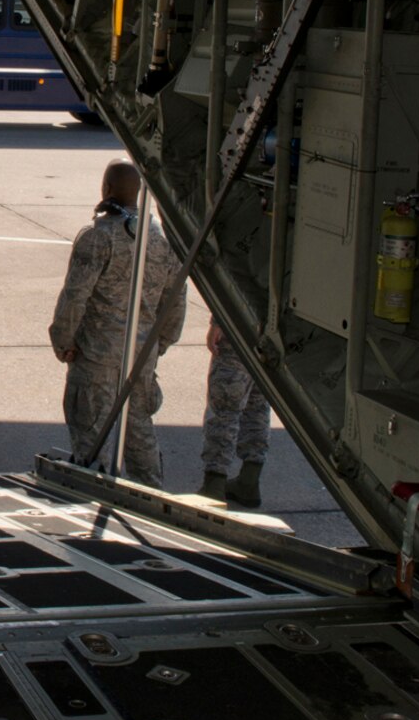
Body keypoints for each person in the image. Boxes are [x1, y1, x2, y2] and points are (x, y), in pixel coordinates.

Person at [47, 161, 185, 487]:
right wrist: (159, 343)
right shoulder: (162, 241)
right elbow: (175, 301)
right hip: (140, 353)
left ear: (106, 190)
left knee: (92, 431)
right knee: (138, 428)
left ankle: (94, 495)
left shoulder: (99, 238)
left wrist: (63, 340)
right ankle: (152, 495)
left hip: (97, 355)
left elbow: (75, 296)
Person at [198, 325, 272, 507]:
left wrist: (219, 320)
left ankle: (214, 485)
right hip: (272, 333)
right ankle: (249, 480)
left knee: (224, 408)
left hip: (240, 327)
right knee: (258, 405)